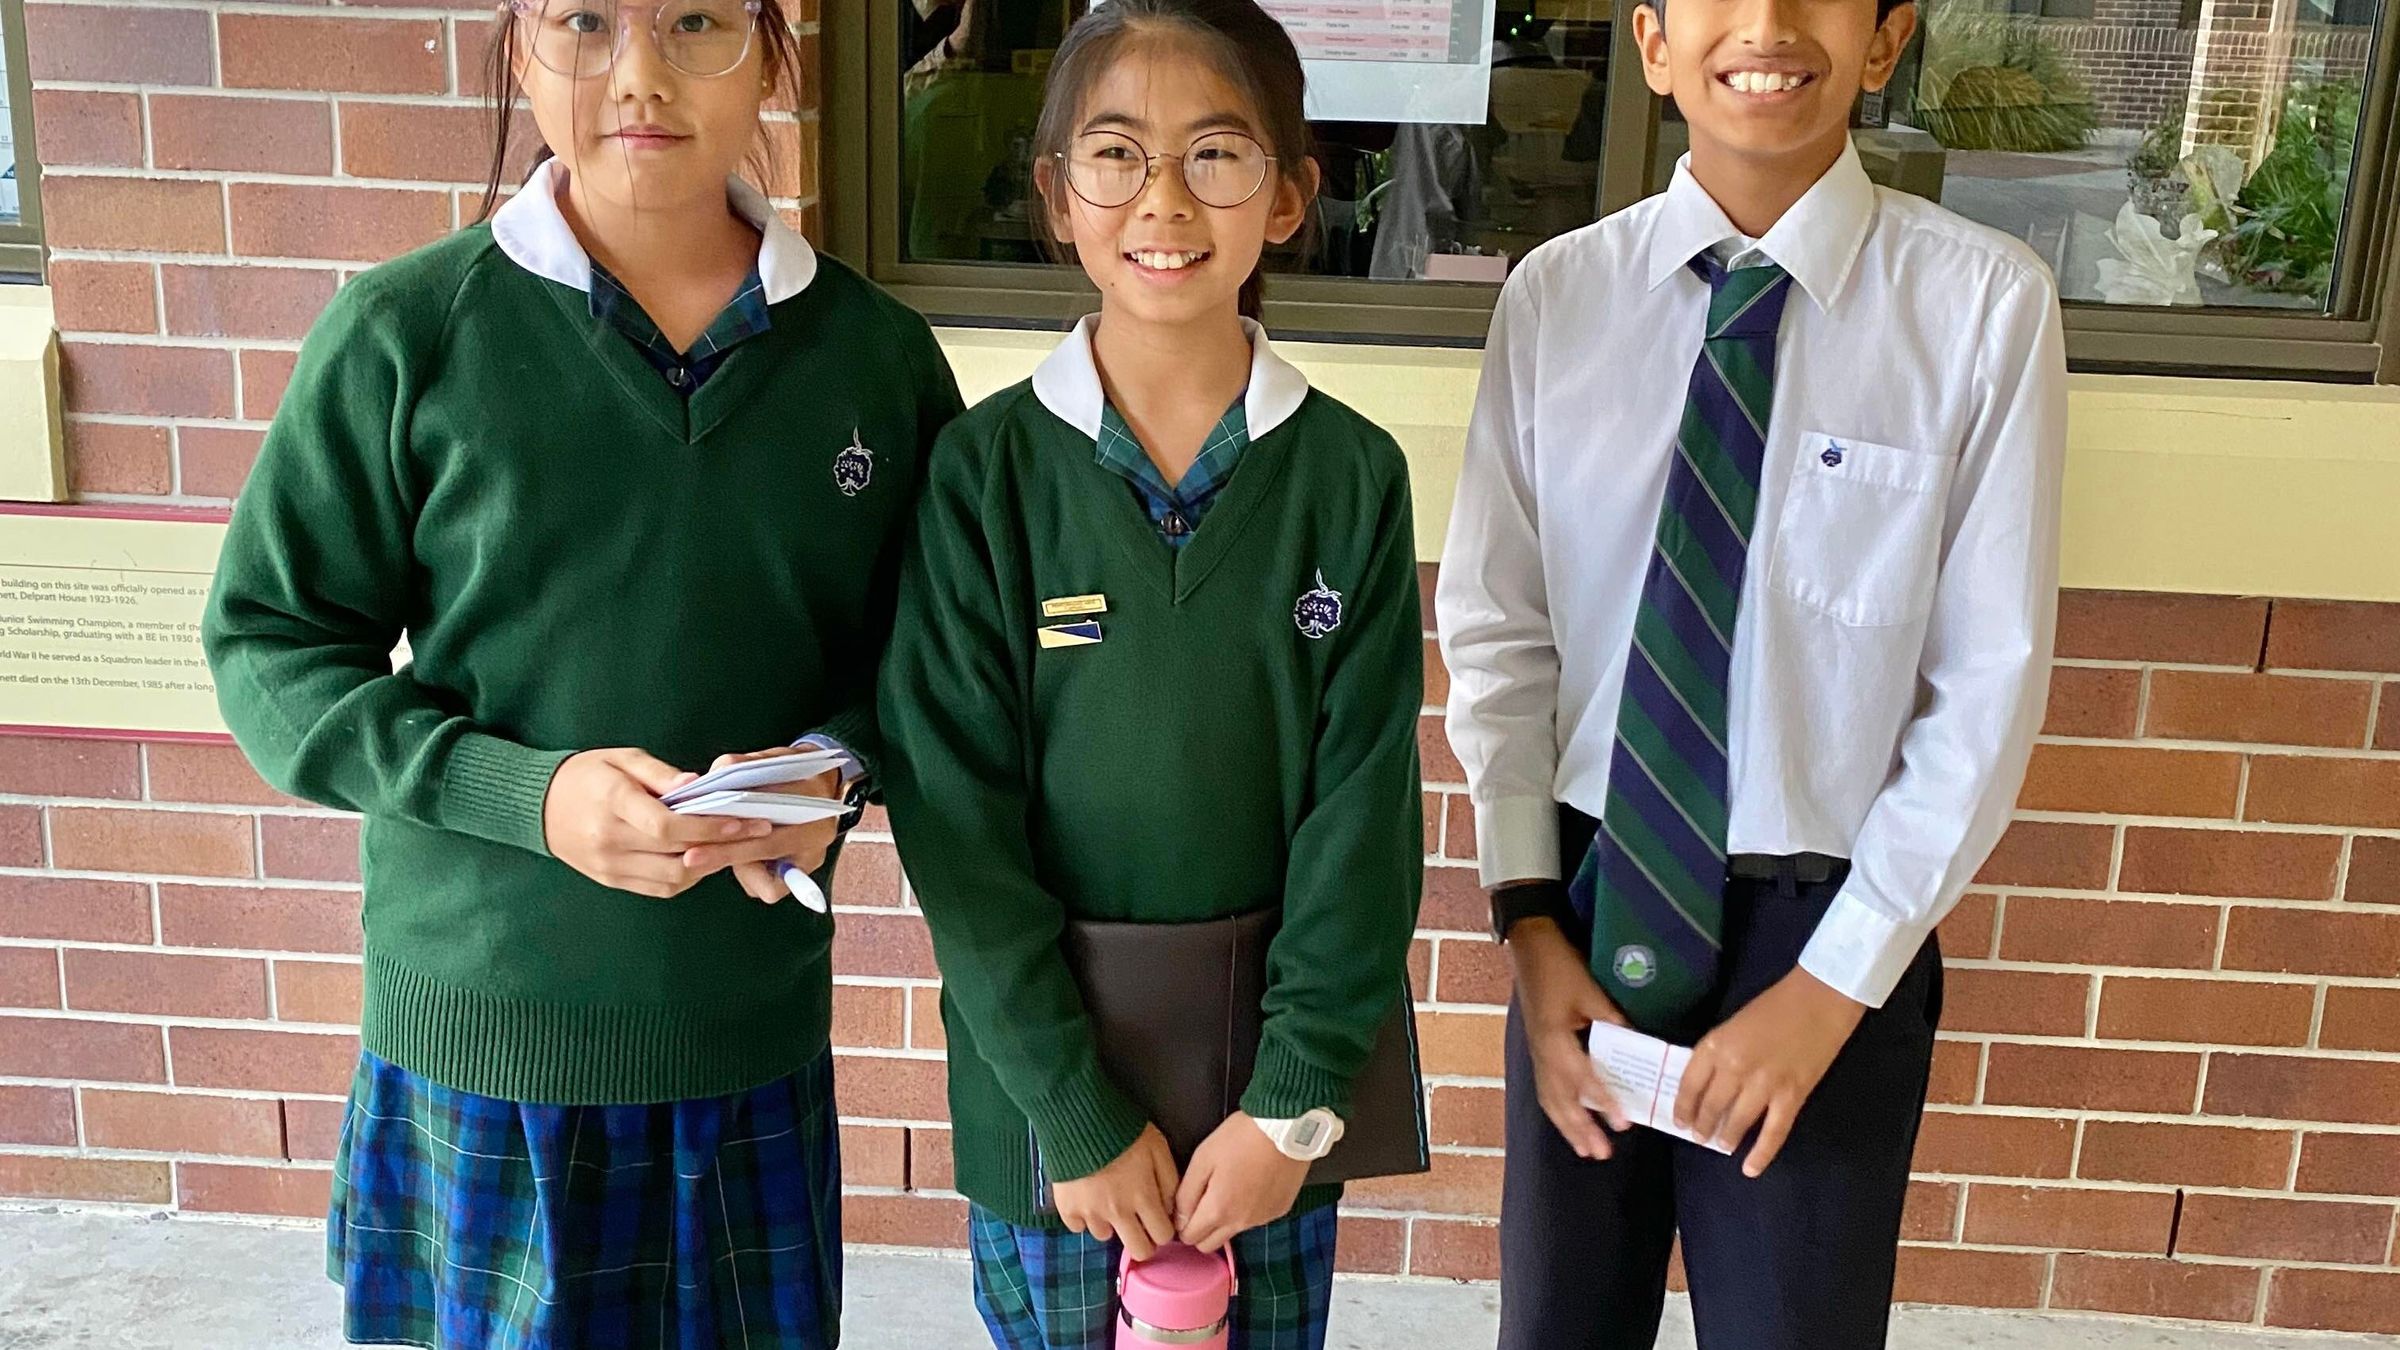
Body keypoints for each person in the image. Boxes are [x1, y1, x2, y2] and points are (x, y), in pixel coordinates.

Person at [201, 4, 962, 1345]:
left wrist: (833, 771)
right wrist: (529, 796)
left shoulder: (876, 361)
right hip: (482, 1041)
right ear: (521, 51)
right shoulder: (407, 332)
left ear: (772, 49)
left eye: (695, 20)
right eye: (587, 21)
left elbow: (937, 664)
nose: (640, 74)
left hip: (741, 1037)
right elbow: (271, 645)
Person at [1434, 0, 2068, 1339]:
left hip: (1824, 931)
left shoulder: (1980, 307)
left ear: (1886, 41)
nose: (1767, 23)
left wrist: (1834, 989)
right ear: (1653, 42)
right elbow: (1499, 632)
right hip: (1589, 905)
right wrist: (1530, 926)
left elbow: (1986, 686)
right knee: (1558, 1320)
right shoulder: (1557, 299)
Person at [877, 1, 1425, 1345]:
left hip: (1267, 1109)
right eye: (1117, 155)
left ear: (1289, 197)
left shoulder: (1351, 477)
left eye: (1216, 155)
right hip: (1051, 1102)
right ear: (1057, 195)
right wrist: (1073, 1110)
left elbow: (1362, 820)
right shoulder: (985, 476)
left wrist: (1292, 1102)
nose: (1165, 201)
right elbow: (956, 824)